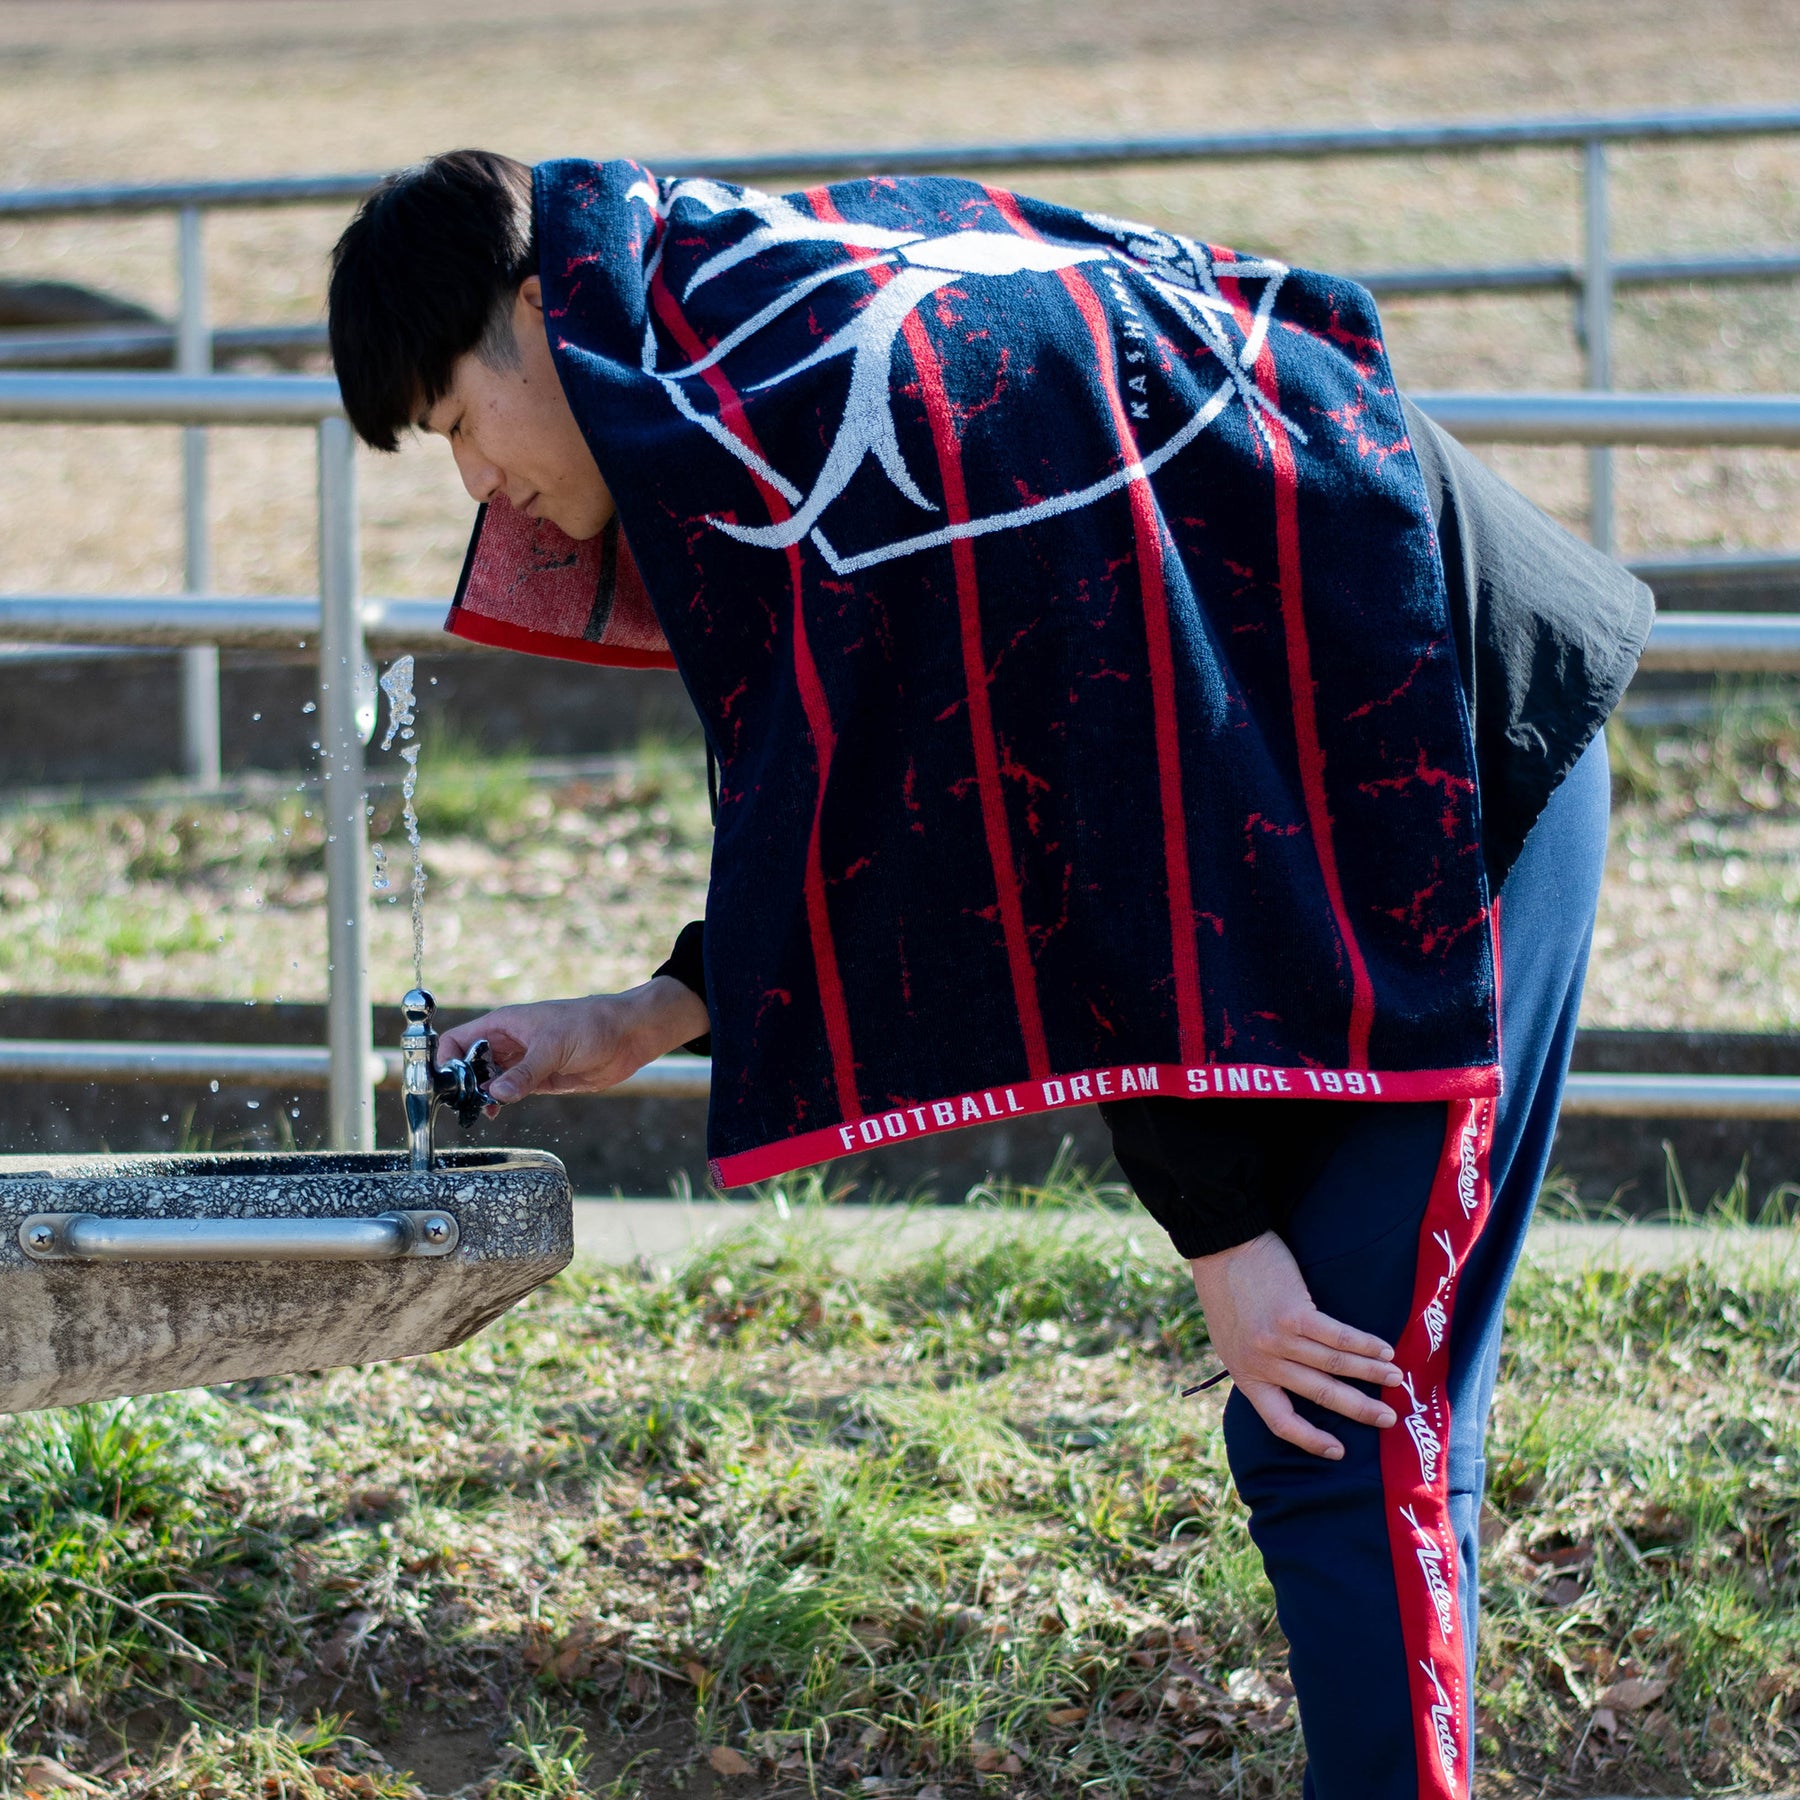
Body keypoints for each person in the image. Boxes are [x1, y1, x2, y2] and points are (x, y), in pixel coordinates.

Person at [327, 148, 1651, 1800]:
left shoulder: (807, 375)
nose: (477, 484)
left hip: (1440, 757)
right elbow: (892, 774)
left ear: (537, 312)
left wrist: (1222, 1233)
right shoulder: (739, 351)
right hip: (1308, 787)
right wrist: (646, 1016)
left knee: (1339, 1424)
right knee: (1357, 1422)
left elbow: (1106, 796)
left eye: (457, 421)